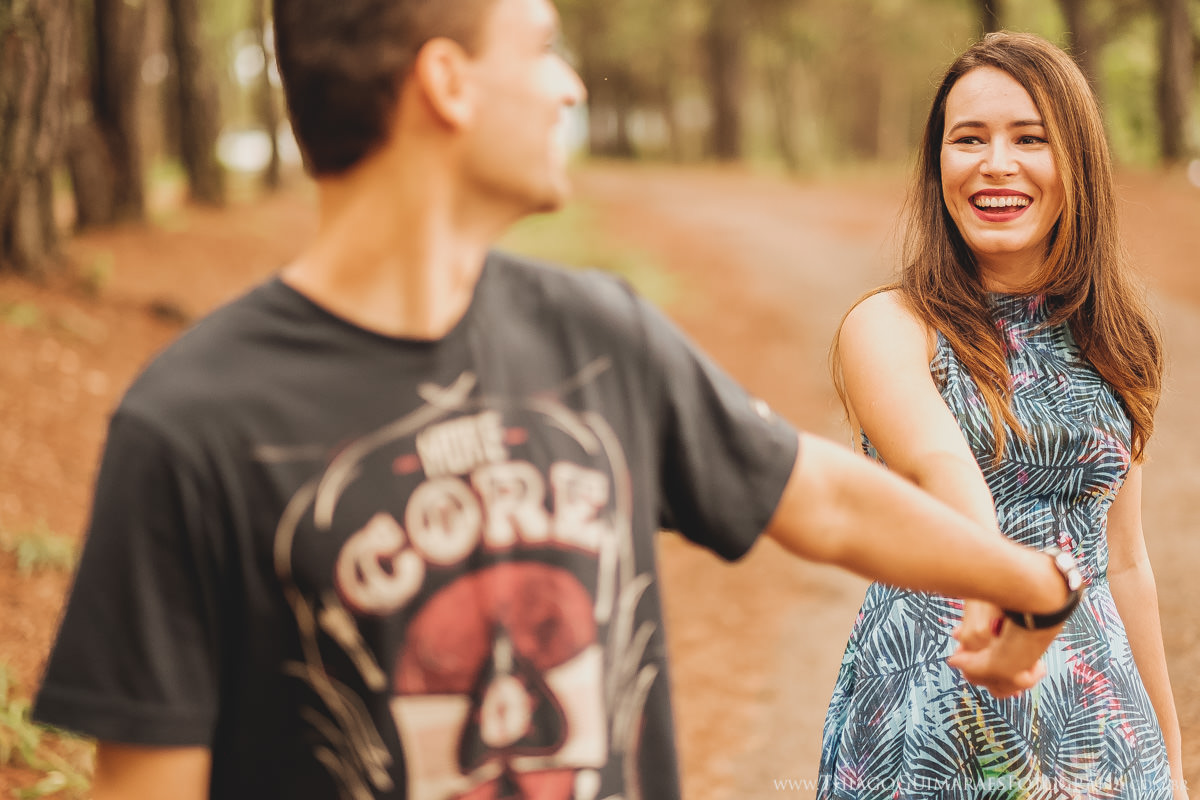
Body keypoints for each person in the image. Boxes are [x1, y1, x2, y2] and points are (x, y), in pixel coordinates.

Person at [34, 4, 1078, 799]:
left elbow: (822, 498)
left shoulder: (596, 338)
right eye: (539, 48)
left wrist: (1034, 581)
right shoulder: (192, 423)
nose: (570, 87)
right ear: (447, 83)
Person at [818, 31, 1187, 800]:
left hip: (1102, 735)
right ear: (938, 165)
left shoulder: (1117, 341)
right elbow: (939, 462)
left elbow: (1125, 562)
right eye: (968, 139)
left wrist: (1175, 766)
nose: (995, 164)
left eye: (1029, 138)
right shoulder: (891, 326)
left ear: (1077, 162)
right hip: (930, 727)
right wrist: (992, 570)